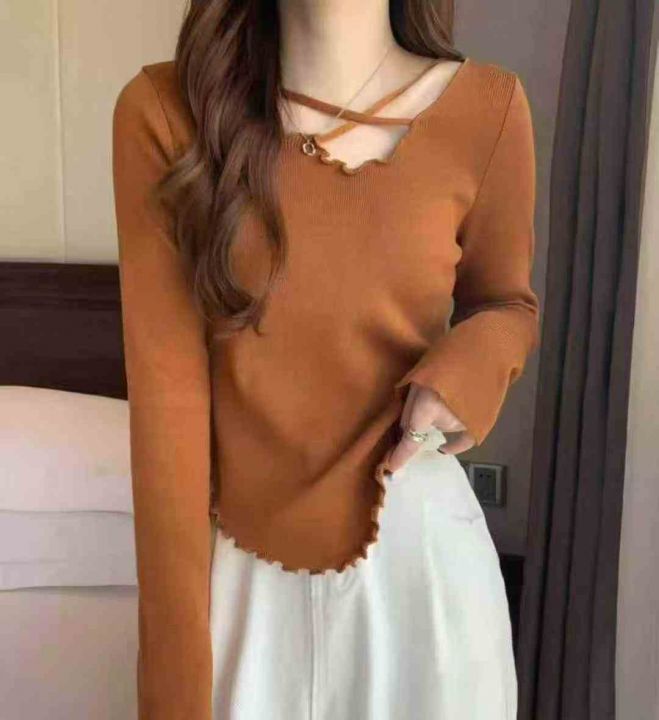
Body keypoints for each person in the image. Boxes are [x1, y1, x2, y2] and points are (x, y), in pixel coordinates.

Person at [112, 1, 539, 718]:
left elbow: (506, 304)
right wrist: (172, 680)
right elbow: (166, 409)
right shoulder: (166, 114)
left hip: (420, 562)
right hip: (240, 576)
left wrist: (461, 374)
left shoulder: (489, 108)